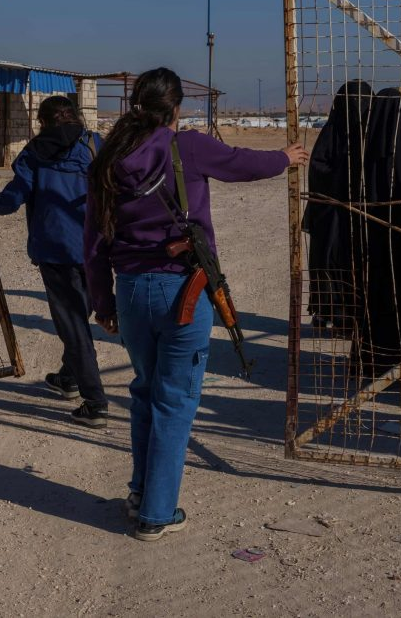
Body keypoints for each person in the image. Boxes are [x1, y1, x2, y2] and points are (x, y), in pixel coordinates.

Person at [84, 67, 307, 541]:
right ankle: (156, 513)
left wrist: (102, 302)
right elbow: (242, 163)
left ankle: (140, 493)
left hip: (131, 291)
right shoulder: (186, 146)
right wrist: (285, 158)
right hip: (183, 291)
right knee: (175, 401)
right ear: (176, 107)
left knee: (146, 392)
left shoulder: (109, 157)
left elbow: (95, 241)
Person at [0, 95, 109, 428]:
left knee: (74, 326)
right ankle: (69, 378)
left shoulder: (34, 152)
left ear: (42, 122)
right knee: (79, 315)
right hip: (96, 248)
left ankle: (95, 402)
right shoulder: (95, 144)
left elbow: (14, 197)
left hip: (56, 251)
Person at [353, 87, 401, 375]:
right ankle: (400, 358)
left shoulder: (361, 153)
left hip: (368, 240)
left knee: (372, 300)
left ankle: (371, 360)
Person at [303, 80, 372, 333]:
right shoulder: (331, 133)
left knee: (358, 263)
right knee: (327, 261)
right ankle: (327, 311)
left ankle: (355, 317)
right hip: (330, 215)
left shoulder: (373, 135)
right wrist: (344, 175)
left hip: (362, 216)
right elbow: (317, 169)